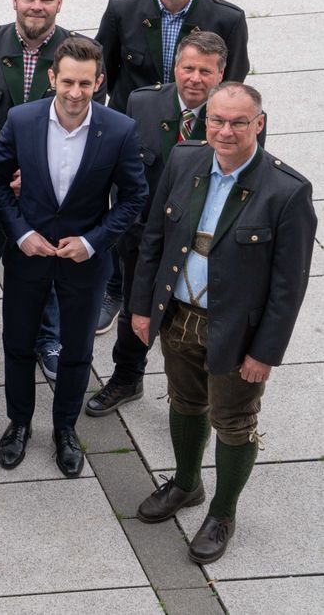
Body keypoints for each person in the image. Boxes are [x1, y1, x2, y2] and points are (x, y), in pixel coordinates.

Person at [130, 82, 315, 565]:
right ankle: (187, 484)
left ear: (259, 123)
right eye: (217, 120)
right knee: (185, 402)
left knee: (233, 422)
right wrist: (143, 306)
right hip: (179, 316)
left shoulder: (287, 191)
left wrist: (265, 353)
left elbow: (288, 286)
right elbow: (155, 238)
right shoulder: (185, 160)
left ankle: (222, 512)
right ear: (205, 120)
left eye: (238, 122)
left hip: (237, 331)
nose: (225, 131)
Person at [0, 38, 147, 478]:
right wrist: (21, 233)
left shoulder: (118, 130)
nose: (75, 93)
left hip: (85, 262)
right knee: (18, 344)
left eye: (85, 83)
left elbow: (135, 198)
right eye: (67, 82)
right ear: (52, 78)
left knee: (77, 351)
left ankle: (65, 429)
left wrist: (93, 241)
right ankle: (19, 423)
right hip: (28, 258)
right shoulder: (22, 120)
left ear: (99, 82)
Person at [86, 32, 231, 418]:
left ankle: (191, 399)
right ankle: (127, 377)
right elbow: (125, 169)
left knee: (194, 322)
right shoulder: (143, 102)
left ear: (221, 74)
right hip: (144, 237)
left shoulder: (233, 115)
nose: (195, 78)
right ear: (175, 67)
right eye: (188, 68)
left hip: (202, 243)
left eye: (205, 71)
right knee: (137, 310)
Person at [0, 0, 98, 364]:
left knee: (47, 269)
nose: (36, 7)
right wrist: (4, 170)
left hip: (51, 188)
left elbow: (84, 120)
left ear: (59, 4)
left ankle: (48, 339)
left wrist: (33, 173)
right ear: (14, 0)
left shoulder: (79, 53)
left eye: (45, 0)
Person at [96, 0, 249, 112]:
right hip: (132, 120)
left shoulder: (228, 20)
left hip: (193, 126)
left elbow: (231, 80)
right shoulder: (122, 8)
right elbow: (103, 69)